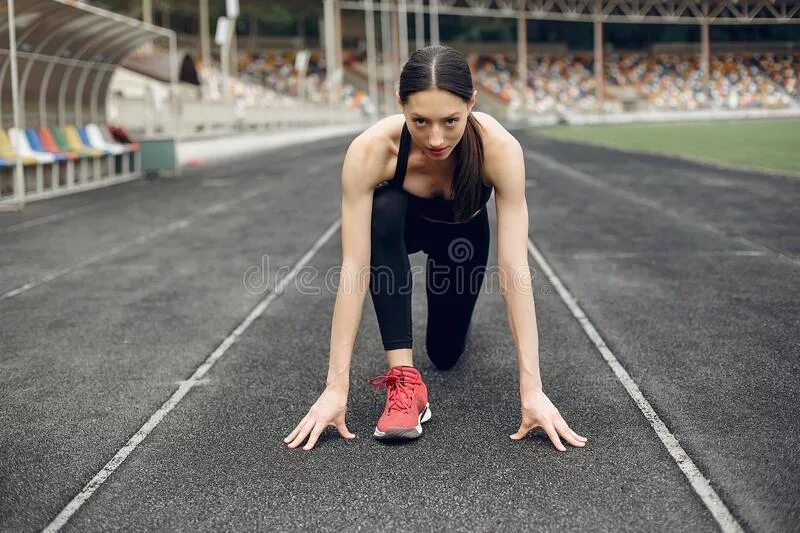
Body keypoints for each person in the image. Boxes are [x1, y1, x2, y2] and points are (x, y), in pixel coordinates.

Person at [283, 45, 587, 451]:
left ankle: (445, 339)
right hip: (399, 230)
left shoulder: (499, 149)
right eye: (420, 121)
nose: (436, 138)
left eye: (451, 121)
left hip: (463, 239)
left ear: (472, 104)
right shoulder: (372, 151)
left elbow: (515, 269)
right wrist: (335, 389)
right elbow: (355, 267)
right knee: (384, 208)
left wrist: (532, 391)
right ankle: (404, 379)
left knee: (445, 354)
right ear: (400, 105)